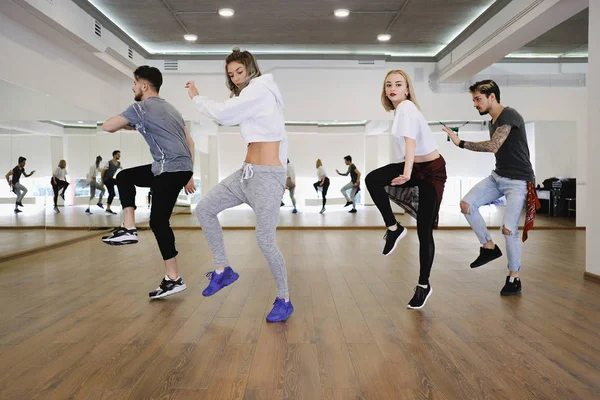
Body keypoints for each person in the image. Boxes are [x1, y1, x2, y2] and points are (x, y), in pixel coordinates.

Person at [186, 47, 293, 323]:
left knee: (265, 241)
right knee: (205, 209)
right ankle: (223, 270)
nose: (235, 77)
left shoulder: (259, 90)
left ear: (250, 68)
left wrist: (197, 98)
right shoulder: (250, 94)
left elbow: (223, 113)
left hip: (267, 178)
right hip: (246, 174)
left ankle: (284, 299)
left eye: (239, 72)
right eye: (231, 74)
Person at [101, 65, 196, 300]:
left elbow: (108, 126)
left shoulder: (140, 107)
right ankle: (129, 228)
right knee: (124, 176)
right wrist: (190, 173)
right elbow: (189, 141)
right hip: (180, 168)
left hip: (167, 168)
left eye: (134, 83)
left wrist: (127, 120)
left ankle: (173, 278)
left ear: (144, 86)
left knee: (158, 222)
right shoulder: (171, 108)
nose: (132, 88)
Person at [444, 80, 536, 297]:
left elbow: (494, 145)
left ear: (492, 97)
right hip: (498, 177)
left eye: (478, 99)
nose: (475, 104)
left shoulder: (509, 115)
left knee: (508, 229)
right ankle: (488, 247)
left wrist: (461, 143)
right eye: (474, 99)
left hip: (518, 181)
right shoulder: (492, 121)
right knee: (467, 205)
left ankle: (514, 278)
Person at [365, 70, 447, 309]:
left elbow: (410, 141)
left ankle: (423, 285)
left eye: (398, 84)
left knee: (424, 231)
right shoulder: (400, 111)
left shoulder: (407, 108)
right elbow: (409, 146)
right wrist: (407, 169)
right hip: (414, 166)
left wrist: (407, 173)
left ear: (407, 89)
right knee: (373, 179)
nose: (393, 88)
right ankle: (394, 228)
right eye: (389, 84)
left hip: (431, 172)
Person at [101, 150, 122, 215]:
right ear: (114, 155)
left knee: (112, 194)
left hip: (110, 180)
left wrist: (119, 167)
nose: (119, 156)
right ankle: (121, 197)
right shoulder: (108, 163)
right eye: (118, 154)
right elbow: (102, 172)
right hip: (107, 179)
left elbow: (117, 166)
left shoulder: (118, 163)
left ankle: (108, 208)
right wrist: (102, 181)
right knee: (120, 181)